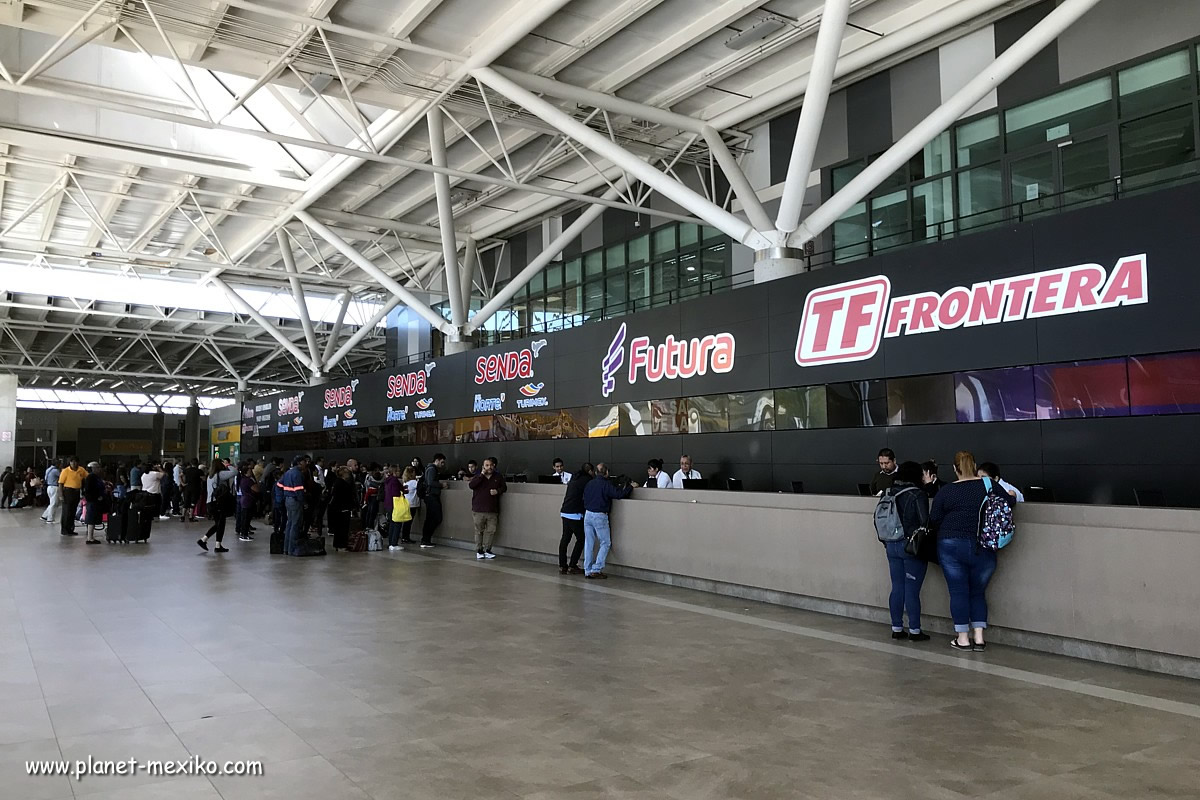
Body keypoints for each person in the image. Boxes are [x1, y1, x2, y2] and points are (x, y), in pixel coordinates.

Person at [931, 450, 1017, 652]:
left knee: (958, 592)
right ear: (975, 465)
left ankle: (963, 638)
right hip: (983, 546)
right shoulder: (989, 485)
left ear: (955, 468)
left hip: (951, 545)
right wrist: (1012, 495)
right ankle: (979, 638)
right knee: (978, 592)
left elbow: (934, 518)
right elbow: (1009, 502)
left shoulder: (946, 491)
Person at [881, 461, 931, 642]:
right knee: (912, 589)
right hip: (910, 546)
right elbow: (924, 522)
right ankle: (915, 630)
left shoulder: (888, 492)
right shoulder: (918, 494)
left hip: (891, 545)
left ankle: (896, 628)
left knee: (897, 587)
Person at [581, 463, 636, 579]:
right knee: (605, 543)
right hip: (599, 515)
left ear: (596, 472)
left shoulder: (589, 483)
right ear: (606, 473)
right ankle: (596, 569)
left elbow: (584, 497)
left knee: (589, 543)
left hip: (588, 515)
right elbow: (619, 494)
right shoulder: (606, 485)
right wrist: (630, 486)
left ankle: (587, 569)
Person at [468, 457, 507, 560]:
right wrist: (481, 475)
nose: (489, 467)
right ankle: (479, 550)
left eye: (491, 465)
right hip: (478, 509)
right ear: (483, 467)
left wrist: (497, 491)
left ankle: (488, 550)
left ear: (494, 466)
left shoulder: (498, 477)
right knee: (479, 531)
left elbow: (504, 487)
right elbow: (471, 485)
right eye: (487, 465)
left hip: (492, 509)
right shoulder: (478, 477)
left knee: (491, 531)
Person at [559, 463, 594, 574]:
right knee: (581, 538)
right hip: (575, 513)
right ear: (590, 471)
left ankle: (562, 565)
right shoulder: (588, 480)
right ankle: (572, 565)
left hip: (565, 511)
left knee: (565, 539)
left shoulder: (575, 478)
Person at [199, 458, 237, 552]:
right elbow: (235, 472)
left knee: (219, 524)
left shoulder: (210, 476)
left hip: (210, 502)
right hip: (217, 503)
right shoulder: (220, 474)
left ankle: (213, 543)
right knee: (220, 523)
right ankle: (206, 541)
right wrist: (228, 465)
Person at [279, 455, 310, 556]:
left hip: (288, 500)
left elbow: (279, 484)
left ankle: (286, 549)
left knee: (289, 524)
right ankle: (292, 549)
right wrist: (304, 502)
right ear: (300, 463)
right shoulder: (298, 474)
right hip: (295, 501)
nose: (306, 464)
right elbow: (299, 491)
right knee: (295, 525)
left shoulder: (288, 472)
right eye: (305, 462)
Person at [420, 454, 447, 548]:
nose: (443, 464)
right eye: (442, 462)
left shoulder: (428, 468)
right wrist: (441, 485)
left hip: (429, 496)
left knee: (430, 518)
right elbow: (430, 482)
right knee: (435, 518)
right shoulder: (432, 469)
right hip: (432, 496)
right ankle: (426, 539)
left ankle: (425, 539)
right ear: (437, 460)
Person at [327, 466, 356, 551]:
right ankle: (341, 545)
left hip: (339, 508)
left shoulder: (338, 482)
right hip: (342, 508)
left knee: (340, 528)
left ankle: (338, 544)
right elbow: (342, 496)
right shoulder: (342, 483)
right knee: (342, 528)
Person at [58, 456, 87, 537]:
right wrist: (61, 495)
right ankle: (64, 529)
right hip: (68, 492)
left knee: (73, 512)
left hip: (77, 492)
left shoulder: (81, 470)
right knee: (66, 512)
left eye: (75, 462)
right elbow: (60, 484)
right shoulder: (65, 471)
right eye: (72, 462)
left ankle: (71, 529)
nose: (74, 464)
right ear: (69, 462)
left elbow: (87, 477)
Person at [81, 462, 107, 545]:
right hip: (93, 500)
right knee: (91, 518)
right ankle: (90, 537)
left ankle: (91, 536)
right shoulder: (90, 477)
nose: (99, 469)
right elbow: (89, 490)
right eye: (97, 467)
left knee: (93, 517)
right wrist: (96, 497)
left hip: (95, 500)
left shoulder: (95, 477)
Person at [235, 463, 258, 542]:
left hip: (244, 500)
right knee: (246, 518)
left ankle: (244, 533)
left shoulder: (242, 480)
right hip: (248, 500)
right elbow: (256, 489)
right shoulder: (248, 480)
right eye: (249, 471)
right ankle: (244, 534)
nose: (251, 472)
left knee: (245, 518)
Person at [41, 459, 61, 524]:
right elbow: (62, 477)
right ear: (57, 464)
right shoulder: (56, 471)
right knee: (54, 503)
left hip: (49, 487)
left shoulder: (48, 469)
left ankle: (44, 516)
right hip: (54, 487)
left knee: (51, 502)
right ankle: (50, 519)